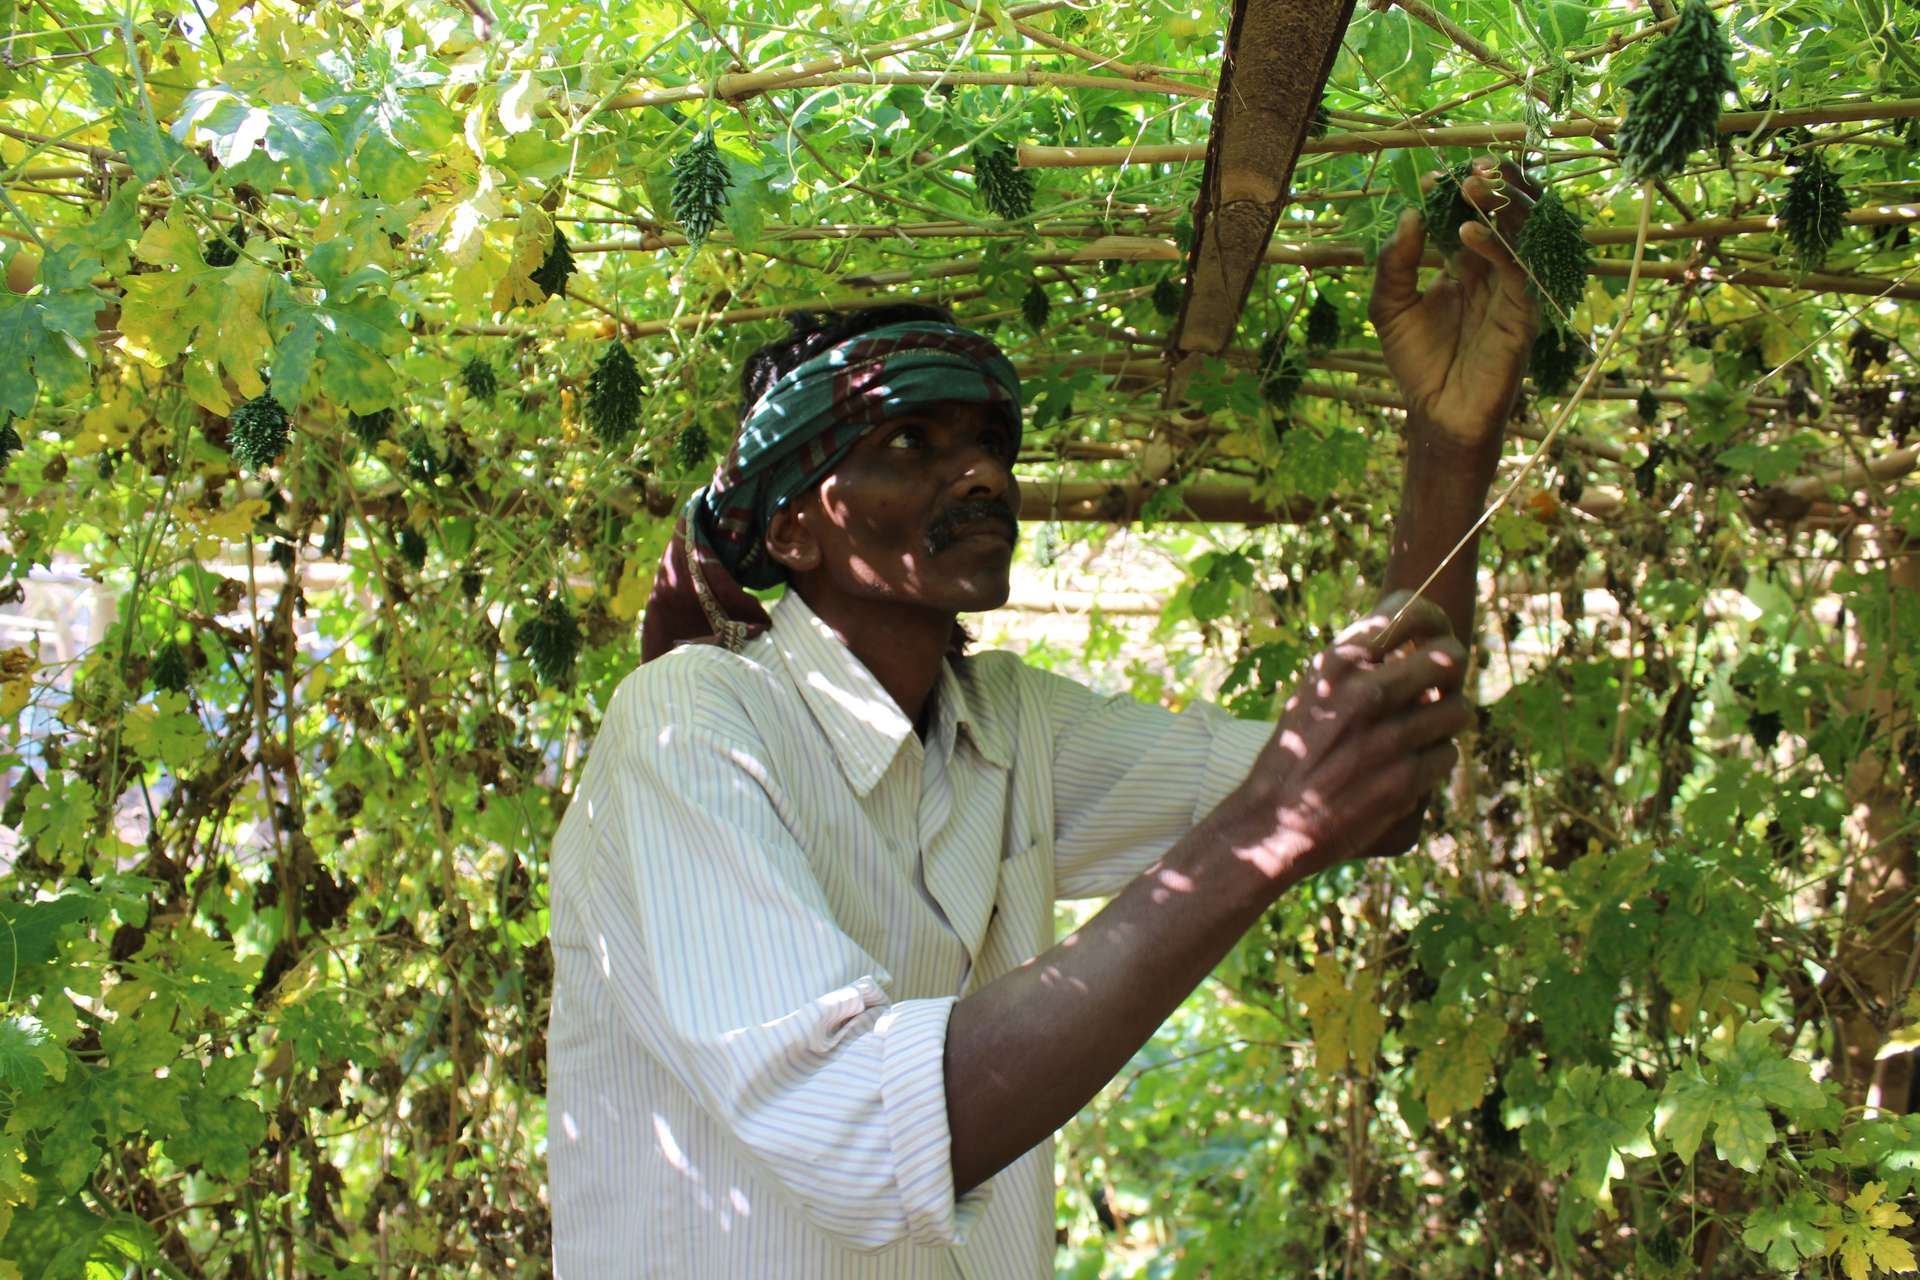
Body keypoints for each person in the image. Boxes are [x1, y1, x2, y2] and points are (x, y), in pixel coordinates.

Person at [547, 158, 1542, 1277]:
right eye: (908, 445)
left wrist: (1450, 449)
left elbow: (1375, 795)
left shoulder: (1008, 724)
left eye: (988, 444)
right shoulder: (688, 725)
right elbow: (866, 1128)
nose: (978, 475)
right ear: (792, 534)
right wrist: (1264, 826)